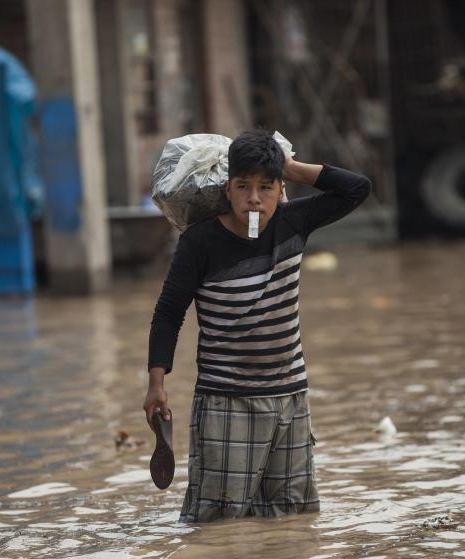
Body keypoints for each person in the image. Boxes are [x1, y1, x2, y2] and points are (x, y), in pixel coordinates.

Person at [144, 129, 371, 523]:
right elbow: (168, 312)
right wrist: (156, 384)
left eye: (266, 187)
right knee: (217, 522)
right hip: (227, 401)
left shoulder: (294, 221)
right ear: (226, 189)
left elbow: (357, 189)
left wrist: (292, 166)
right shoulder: (200, 243)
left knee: (291, 519)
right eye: (243, 186)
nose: (254, 199)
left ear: (280, 189)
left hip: (290, 398)